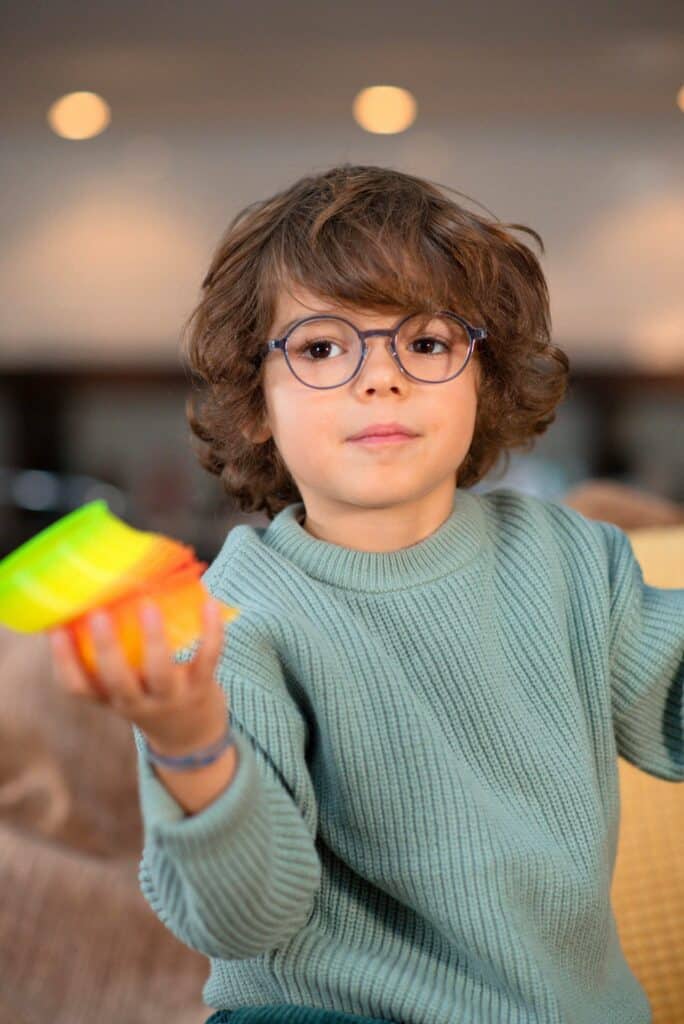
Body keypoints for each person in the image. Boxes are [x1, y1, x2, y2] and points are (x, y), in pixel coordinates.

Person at [48, 164, 684, 1024]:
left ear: (484, 380)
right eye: (319, 347)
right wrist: (191, 743)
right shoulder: (239, 615)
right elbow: (243, 918)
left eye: (425, 343)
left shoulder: (569, 559)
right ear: (257, 403)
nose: (378, 377)